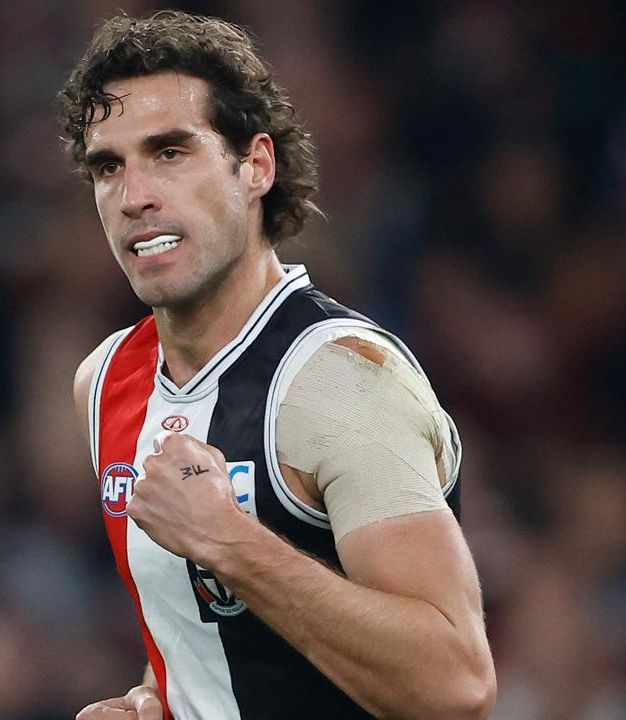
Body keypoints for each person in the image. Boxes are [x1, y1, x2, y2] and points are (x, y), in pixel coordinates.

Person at [61, 11, 495, 720]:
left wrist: (230, 542)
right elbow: (213, 639)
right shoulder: (105, 383)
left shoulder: (342, 380)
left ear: (256, 165)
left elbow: (456, 684)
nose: (134, 196)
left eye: (170, 152)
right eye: (109, 165)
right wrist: (156, 700)